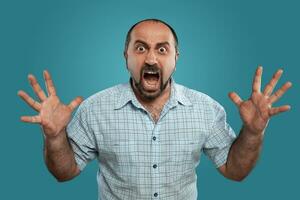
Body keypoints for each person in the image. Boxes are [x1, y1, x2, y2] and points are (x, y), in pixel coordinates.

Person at [18, 19, 292, 199]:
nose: (150, 58)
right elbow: (64, 173)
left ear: (176, 58)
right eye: (140, 48)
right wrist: (54, 137)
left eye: (162, 50)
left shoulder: (206, 109)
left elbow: (235, 170)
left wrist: (254, 133)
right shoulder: (95, 109)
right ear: (126, 57)